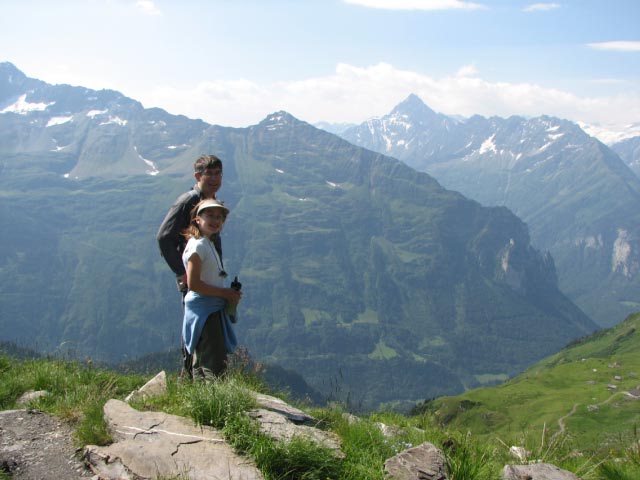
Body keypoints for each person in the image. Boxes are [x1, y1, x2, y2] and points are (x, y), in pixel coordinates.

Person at [156, 154, 224, 374]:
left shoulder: (210, 201)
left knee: (205, 329)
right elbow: (164, 237)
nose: (214, 178)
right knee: (197, 328)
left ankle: (194, 378)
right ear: (197, 176)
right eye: (208, 174)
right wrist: (181, 272)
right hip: (194, 279)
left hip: (208, 278)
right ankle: (192, 379)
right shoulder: (188, 201)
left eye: (218, 173)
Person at [181, 199, 242, 379]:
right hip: (205, 310)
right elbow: (193, 284)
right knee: (214, 362)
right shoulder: (199, 246)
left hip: (207, 308)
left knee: (203, 358)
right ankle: (214, 394)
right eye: (210, 215)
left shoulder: (206, 243)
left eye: (219, 217)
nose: (215, 220)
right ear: (198, 219)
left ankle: (200, 392)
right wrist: (225, 293)